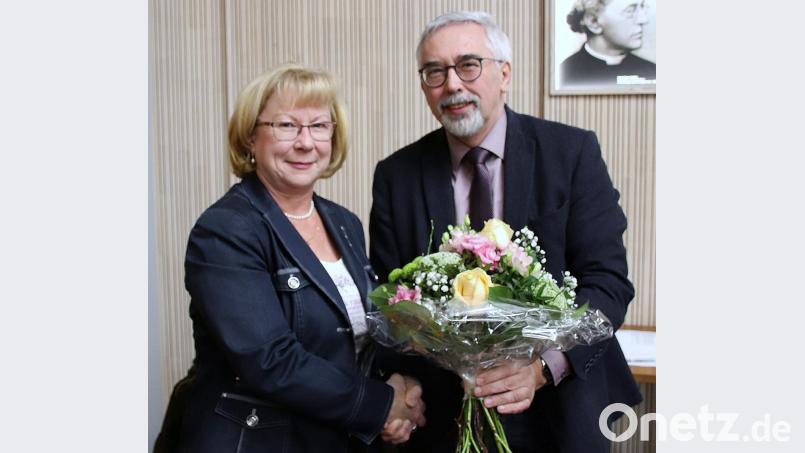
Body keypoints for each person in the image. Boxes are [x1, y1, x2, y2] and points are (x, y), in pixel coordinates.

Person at [370, 11, 641, 453]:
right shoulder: (397, 175)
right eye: (435, 71)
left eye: (468, 65)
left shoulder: (571, 154)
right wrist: (403, 376)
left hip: (560, 409)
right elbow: (389, 299)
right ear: (423, 86)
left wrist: (541, 368)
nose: (452, 84)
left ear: (504, 74)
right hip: (443, 416)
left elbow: (608, 284)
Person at [174, 64, 425, 453]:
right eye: (287, 126)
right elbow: (271, 361)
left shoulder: (344, 222)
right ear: (250, 138)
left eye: (319, 126)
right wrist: (380, 405)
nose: (306, 143)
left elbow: (361, 335)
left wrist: (405, 384)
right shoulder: (226, 229)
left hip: (335, 437)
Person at [560, 0, 655, 88]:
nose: (643, 19)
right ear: (593, 22)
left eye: (642, 7)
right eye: (630, 11)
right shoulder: (563, 74)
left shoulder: (652, 72)